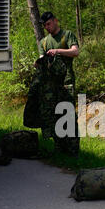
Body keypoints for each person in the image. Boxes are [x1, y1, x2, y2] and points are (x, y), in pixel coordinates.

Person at [38, 11, 80, 157]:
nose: (47, 27)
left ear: (55, 21)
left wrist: (58, 51)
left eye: (48, 24)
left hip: (66, 82)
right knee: (55, 115)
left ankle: (73, 150)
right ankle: (59, 149)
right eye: (44, 26)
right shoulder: (43, 42)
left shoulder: (66, 35)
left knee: (68, 115)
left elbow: (75, 52)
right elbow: (42, 60)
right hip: (51, 85)